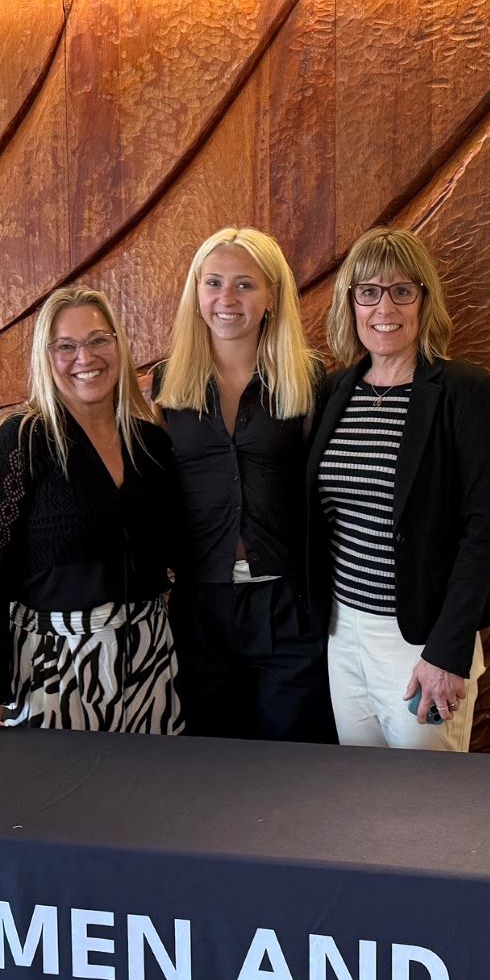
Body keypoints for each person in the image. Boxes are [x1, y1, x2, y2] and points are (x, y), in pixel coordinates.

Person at [0, 286, 183, 735]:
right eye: (67, 346)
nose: (86, 357)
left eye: (99, 340)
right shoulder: (22, 441)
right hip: (52, 665)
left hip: (149, 656)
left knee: (149, 795)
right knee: (62, 801)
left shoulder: (153, 443)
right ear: (47, 357)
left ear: (118, 345)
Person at [307, 227, 490, 751]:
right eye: (368, 291)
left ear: (424, 300)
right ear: (351, 303)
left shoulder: (463, 391)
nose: (384, 306)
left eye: (402, 290)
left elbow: (484, 530)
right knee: (360, 794)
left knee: (424, 813)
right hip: (342, 633)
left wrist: (448, 650)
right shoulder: (333, 391)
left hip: (421, 639)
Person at [152, 228, 334, 742]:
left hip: (286, 604)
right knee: (212, 768)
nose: (226, 299)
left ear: (272, 296)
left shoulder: (310, 379)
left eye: (244, 285)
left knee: (293, 764)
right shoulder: (166, 383)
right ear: (196, 293)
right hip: (199, 605)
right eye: (213, 283)